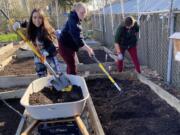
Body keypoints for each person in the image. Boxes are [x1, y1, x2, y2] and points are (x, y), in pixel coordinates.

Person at [13, 8, 61, 77]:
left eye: (39, 18)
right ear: (31, 18)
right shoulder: (32, 27)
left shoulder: (47, 30)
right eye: (34, 17)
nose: (37, 20)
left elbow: (54, 45)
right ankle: (45, 86)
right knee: (41, 75)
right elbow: (25, 23)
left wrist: (45, 53)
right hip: (38, 56)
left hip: (49, 56)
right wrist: (18, 23)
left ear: (43, 19)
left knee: (56, 75)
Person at [57, 2, 94, 75]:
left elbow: (79, 36)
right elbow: (77, 38)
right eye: (81, 12)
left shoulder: (75, 19)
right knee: (72, 66)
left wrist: (87, 48)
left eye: (84, 13)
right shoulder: (73, 21)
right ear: (76, 11)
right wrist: (88, 49)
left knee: (71, 65)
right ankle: (74, 84)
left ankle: (70, 80)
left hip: (69, 46)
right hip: (65, 46)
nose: (83, 15)